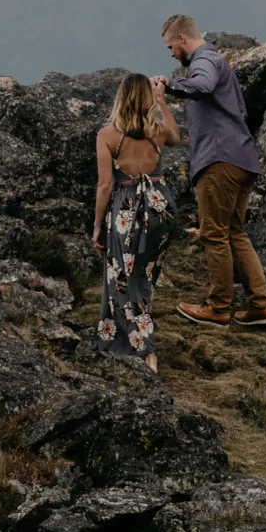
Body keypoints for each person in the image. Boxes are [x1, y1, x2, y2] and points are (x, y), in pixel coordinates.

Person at [157, 14, 266, 329]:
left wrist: (169, 84)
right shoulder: (217, 62)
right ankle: (261, 305)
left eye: (171, 46)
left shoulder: (205, 60)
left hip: (219, 159)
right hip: (242, 157)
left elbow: (203, 84)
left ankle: (217, 308)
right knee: (234, 232)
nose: (172, 54)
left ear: (182, 39)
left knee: (213, 233)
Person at [91, 72, 180, 369]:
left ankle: (144, 349)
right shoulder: (157, 131)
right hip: (161, 207)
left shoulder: (108, 135)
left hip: (128, 211)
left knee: (122, 279)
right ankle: (134, 338)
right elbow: (176, 136)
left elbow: (105, 186)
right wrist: (160, 101)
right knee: (143, 275)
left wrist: (97, 226)